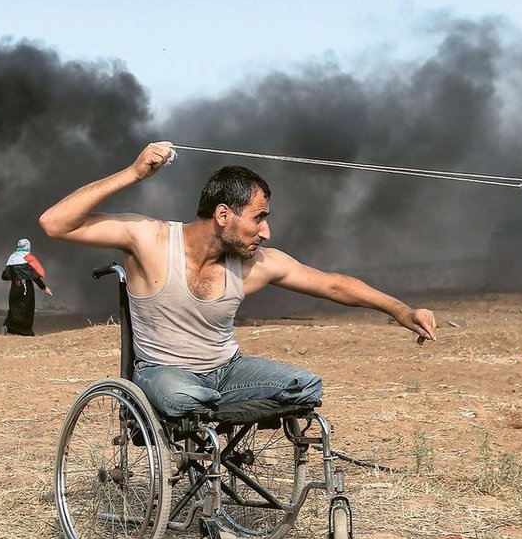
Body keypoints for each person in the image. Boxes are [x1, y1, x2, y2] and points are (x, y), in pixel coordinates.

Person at [39, 142, 437, 417]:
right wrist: (134, 173)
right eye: (259, 217)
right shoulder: (151, 239)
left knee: (305, 386)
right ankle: (214, 408)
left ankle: (218, 406)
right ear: (224, 214)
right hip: (163, 373)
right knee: (183, 396)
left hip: (228, 371)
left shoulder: (254, 264)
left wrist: (400, 310)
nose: (266, 233)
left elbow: (332, 284)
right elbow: (54, 223)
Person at [1, 238, 53, 336]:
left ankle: (9, 327)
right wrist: (44, 287)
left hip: (15, 288)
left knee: (14, 308)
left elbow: (5, 276)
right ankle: (25, 332)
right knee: (27, 309)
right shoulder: (28, 258)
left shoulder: (12, 257)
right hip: (26, 288)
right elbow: (35, 276)